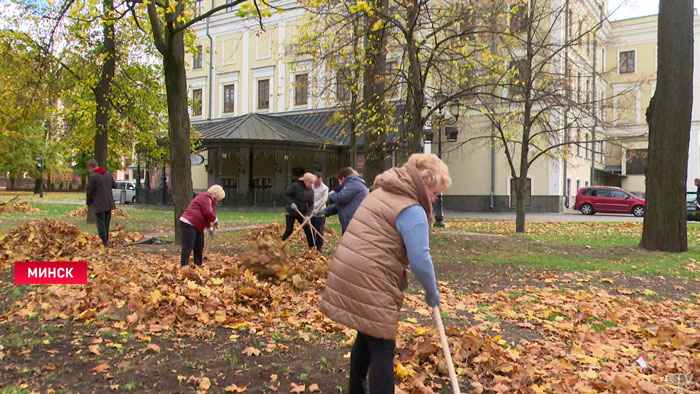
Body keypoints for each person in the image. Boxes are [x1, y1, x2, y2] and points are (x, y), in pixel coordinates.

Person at [320, 153, 451, 394]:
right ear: (423, 183)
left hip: (350, 268)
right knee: (382, 347)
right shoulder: (411, 209)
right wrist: (432, 292)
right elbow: (421, 259)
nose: (434, 197)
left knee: (367, 334)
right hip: (372, 277)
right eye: (434, 191)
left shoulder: (381, 192)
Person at [179, 184, 225, 267]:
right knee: (188, 245)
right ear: (216, 194)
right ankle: (184, 265)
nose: (218, 201)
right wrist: (215, 219)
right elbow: (208, 212)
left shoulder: (210, 200)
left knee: (199, 244)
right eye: (218, 198)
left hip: (197, 225)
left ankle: (198, 263)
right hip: (188, 223)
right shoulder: (205, 197)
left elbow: (206, 216)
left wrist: (209, 229)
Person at [318, 167, 369, 233]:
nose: (339, 184)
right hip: (352, 222)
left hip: (355, 222)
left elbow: (340, 199)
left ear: (343, 178)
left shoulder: (353, 184)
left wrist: (332, 194)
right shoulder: (353, 184)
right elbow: (341, 205)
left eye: (339, 180)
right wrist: (325, 211)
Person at [86, 159, 117, 247]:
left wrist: (88, 202)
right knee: (106, 223)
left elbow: (89, 191)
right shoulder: (108, 174)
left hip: (99, 204)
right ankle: (106, 241)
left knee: (101, 224)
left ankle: (103, 243)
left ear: (91, 168)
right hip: (109, 203)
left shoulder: (94, 177)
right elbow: (115, 185)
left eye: (89, 169)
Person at [282, 172, 316, 248]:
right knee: (289, 230)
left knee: (309, 230)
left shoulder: (311, 191)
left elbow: (311, 205)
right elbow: (286, 195)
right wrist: (291, 203)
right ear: (306, 181)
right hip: (291, 211)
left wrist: (307, 215)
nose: (311, 185)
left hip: (302, 212)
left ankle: (312, 248)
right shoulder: (295, 186)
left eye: (312, 183)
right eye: (310, 182)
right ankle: (281, 246)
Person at [311, 172, 329, 251]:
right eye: (316, 182)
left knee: (319, 229)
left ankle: (319, 246)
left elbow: (323, 200)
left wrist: (315, 206)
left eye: (319, 181)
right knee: (311, 229)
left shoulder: (325, 188)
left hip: (320, 211)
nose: (318, 183)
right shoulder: (311, 187)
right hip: (311, 211)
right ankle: (312, 245)